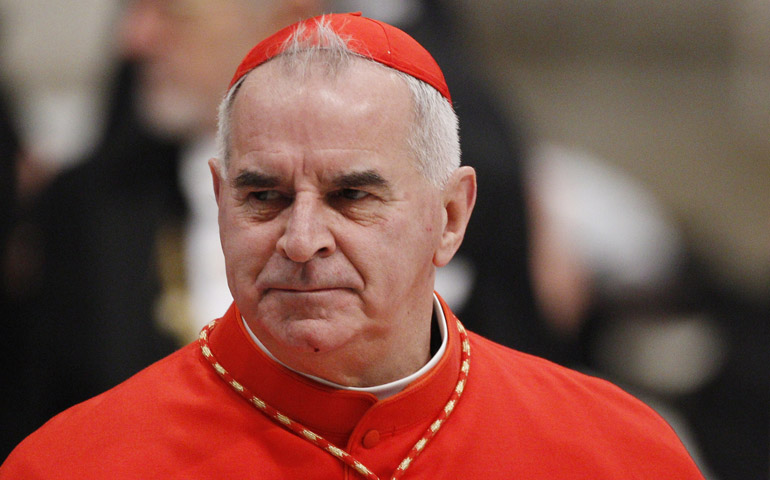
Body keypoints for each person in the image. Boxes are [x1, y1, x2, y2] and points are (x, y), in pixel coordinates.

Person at [1, 13, 704, 478]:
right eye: (263, 197)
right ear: (218, 205)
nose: (302, 242)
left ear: (452, 215)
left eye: (353, 196)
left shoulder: (618, 452)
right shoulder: (73, 464)